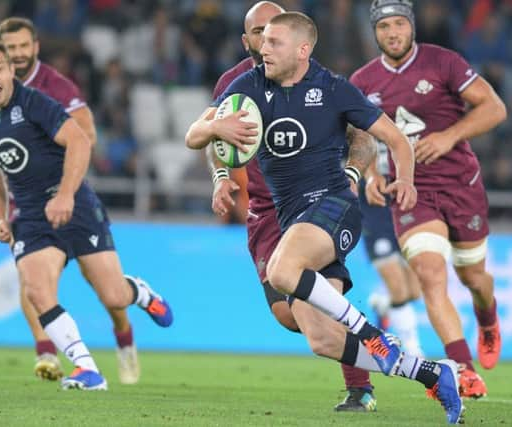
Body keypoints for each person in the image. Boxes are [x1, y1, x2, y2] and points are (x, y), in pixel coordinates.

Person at [186, 11, 463, 424]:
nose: (264, 49)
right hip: (284, 216)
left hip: (334, 205)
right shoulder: (246, 85)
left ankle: (371, 335)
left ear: (302, 50)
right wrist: (216, 129)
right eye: (260, 41)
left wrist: (404, 178)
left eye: (274, 42)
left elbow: (392, 138)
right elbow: (194, 135)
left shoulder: (333, 88)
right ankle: (431, 373)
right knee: (321, 336)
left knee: (284, 269)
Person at [0, 38, 173, 391]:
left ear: (11, 69)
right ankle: (88, 370)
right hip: (30, 215)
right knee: (36, 290)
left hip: (75, 202)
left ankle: (139, 293)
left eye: (0, 68)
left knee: (112, 296)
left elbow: (78, 140)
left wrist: (64, 195)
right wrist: (1, 216)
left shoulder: (35, 103)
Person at [209, 1, 381, 412]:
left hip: (317, 204)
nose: (266, 38)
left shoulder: (319, 80)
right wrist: (219, 177)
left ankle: (363, 384)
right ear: (246, 39)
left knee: (317, 309)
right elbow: (214, 135)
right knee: (290, 317)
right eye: (257, 32)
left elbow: (365, 136)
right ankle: (378, 344)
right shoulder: (236, 83)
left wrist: (354, 175)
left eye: (274, 30)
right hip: (267, 212)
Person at [351, 0, 507, 399]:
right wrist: (370, 173)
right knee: (431, 275)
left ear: (412, 27)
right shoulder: (363, 81)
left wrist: (450, 135)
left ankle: (486, 316)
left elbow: (494, 108)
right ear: (375, 32)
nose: (392, 33)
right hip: (411, 192)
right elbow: (363, 137)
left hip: (461, 186)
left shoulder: (444, 63)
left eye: (399, 24)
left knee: (474, 277)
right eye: (384, 27)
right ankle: (464, 369)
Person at [0, 16, 142, 385]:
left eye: (22, 46)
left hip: (70, 198)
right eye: (10, 48)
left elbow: (87, 134)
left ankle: (124, 336)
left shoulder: (55, 86)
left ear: (35, 47)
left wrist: (59, 180)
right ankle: (46, 351)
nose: (17, 54)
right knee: (34, 282)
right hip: (26, 205)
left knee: (110, 293)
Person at [361, 143, 424, 358]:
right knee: (398, 288)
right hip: (374, 212)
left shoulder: (405, 118)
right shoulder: (359, 117)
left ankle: (383, 305)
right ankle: (412, 349)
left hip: (405, 208)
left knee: (415, 292)